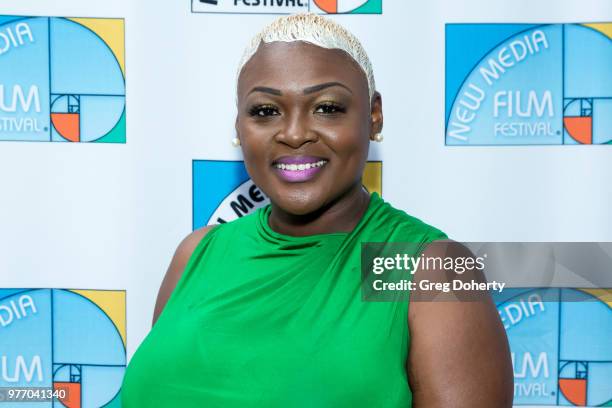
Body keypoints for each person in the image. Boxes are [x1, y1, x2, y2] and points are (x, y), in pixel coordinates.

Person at [121, 12, 513, 407]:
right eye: (265, 111)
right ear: (239, 127)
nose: (293, 134)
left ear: (373, 116)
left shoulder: (430, 269)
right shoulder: (196, 254)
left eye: (326, 107)